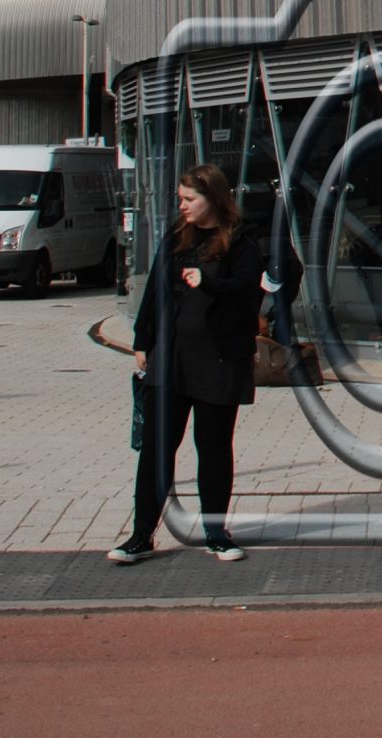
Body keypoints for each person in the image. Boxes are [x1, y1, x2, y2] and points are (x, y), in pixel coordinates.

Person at [110, 164, 266, 563]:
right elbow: (155, 293)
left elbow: (249, 292)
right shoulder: (177, 238)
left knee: (212, 448)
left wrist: (208, 282)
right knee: (157, 449)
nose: (182, 206)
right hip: (172, 358)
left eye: (189, 199)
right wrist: (143, 340)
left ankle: (217, 532)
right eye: (180, 199)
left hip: (218, 360)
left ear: (213, 199)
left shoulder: (241, 241)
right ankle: (141, 535)